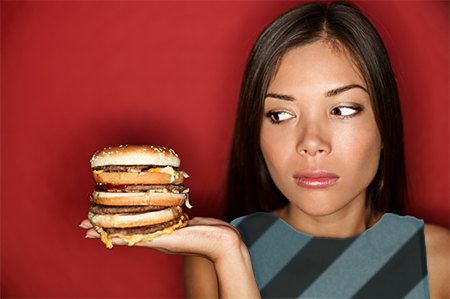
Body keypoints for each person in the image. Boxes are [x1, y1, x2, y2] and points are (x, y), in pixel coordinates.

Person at [81, 1, 449, 298]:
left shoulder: (440, 261)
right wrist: (230, 255)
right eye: (281, 114)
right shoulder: (210, 258)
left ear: (385, 124)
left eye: (342, 110)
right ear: (255, 133)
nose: (311, 143)